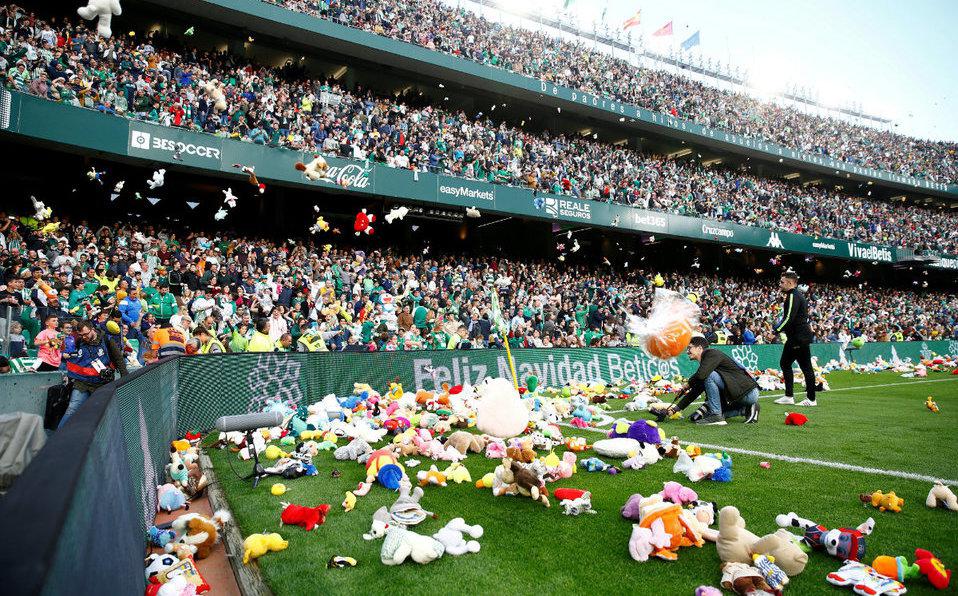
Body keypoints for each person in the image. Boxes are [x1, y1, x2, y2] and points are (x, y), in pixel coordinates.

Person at [659, 336, 760, 425]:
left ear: (699, 348)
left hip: (747, 392)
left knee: (709, 376)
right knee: (703, 415)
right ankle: (746, 409)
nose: (687, 351)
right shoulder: (706, 365)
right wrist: (674, 410)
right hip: (740, 395)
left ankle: (716, 416)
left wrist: (687, 384)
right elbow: (695, 391)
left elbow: (701, 375)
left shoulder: (711, 353)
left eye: (689, 348)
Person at [59, 319, 128, 429]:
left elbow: (118, 359)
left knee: (102, 413)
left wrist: (125, 378)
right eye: (81, 335)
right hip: (82, 383)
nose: (84, 337)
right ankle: (58, 438)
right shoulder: (79, 341)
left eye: (86, 334)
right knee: (72, 408)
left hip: (103, 383)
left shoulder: (107, 340)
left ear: (92, 329)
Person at [772, 272, 817, 407]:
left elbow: (788, 318)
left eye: (782, 282)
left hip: (798, 337)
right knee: (787, 364)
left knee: (802, 367)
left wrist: (777, 330)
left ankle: (809, 399)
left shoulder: (792, 296)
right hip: (799, 337)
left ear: (790, 283)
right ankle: (790, 396)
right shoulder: (796, 296)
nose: (780, 284)